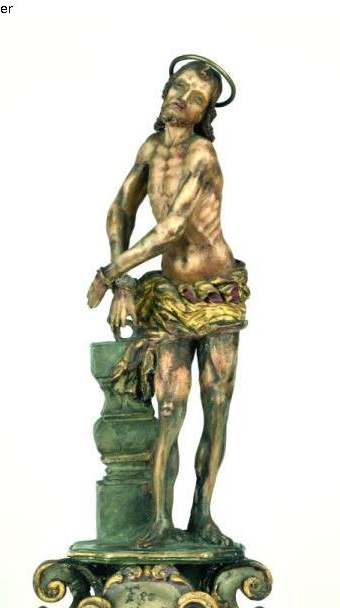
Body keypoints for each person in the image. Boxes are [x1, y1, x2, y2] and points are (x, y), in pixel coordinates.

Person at [87, 56, 249, 548]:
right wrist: (122, 282)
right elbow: (120, 209)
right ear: (165, 89)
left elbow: (173, 227)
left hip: (217, 293)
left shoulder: (202, 155)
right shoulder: (150, 148)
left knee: (215, 406)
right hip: (171, 295)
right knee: (169, 407)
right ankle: (160, 520)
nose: (183, 98)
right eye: (179, 87)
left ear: (205, 113)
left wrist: (109, 273)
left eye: (196, 97)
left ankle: (202, 515)